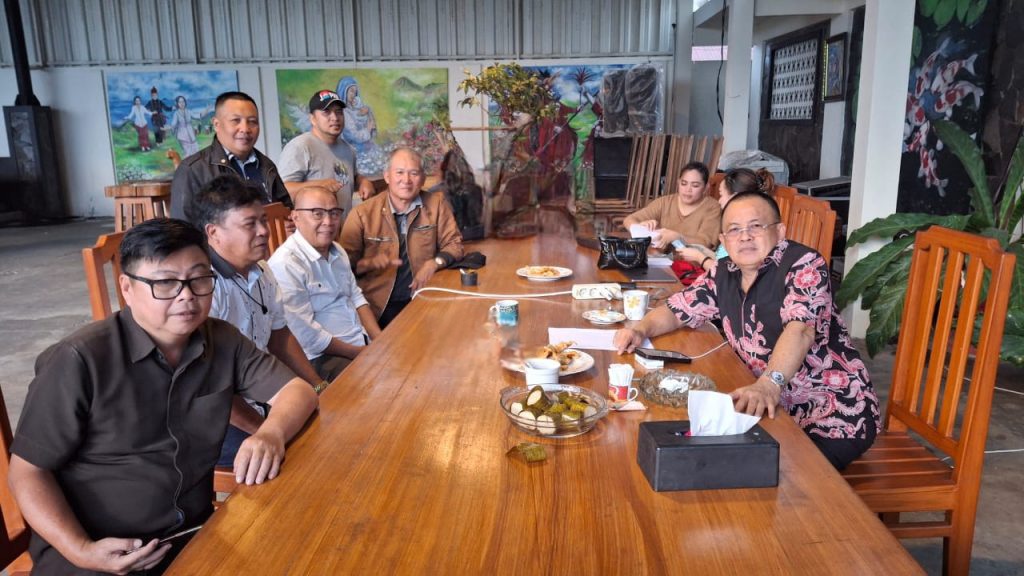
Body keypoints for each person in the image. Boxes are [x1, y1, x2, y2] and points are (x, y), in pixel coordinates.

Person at [8, 218, 318, 574]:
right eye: (166, 283)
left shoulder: (221, 339)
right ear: (127, 287)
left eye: (199, 279)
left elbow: (297, 391)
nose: (186, 295)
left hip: (190, 539)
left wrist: (270, 433)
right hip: (98, 558)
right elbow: (27, 473)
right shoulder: (79, 360)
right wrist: (82, 550)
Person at [613, 192, 879, 470]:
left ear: (779, 231)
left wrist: (768, 384)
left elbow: (800, 331)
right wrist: (640, 328)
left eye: (755, 226)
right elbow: (677, 309)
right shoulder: (724, 272)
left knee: (767, 481)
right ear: (724, 239)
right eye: (734, 230)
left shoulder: (803, 265)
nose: (745, 236)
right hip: (766, 410)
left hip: (831, 416)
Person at [190, 176, 326, 467]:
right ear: (214, 233)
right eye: (249, 224)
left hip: (263, 395)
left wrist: (318, 387)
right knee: (302, 456)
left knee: (320, 421)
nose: (264, 231)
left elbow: (279, 336)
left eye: (263, 220)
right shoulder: (204, 290)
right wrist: (267, 433)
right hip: (215, 420)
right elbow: (211, 388)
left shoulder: (261, 270)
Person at [340, 147, 465, 327]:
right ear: (387, 176)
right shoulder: (362, 214)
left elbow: (455, 244)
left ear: (422, 179)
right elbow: (342, 268)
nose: (406, 180)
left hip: (426, 296)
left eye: (413, 173)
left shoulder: (436, 205)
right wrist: (368, 264)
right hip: (378, 306)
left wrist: (434, 263)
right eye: (399, 172)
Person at [269, 186, 382, 381]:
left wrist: (380, 340)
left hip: (359, 340)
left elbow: (355, 296)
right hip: (322, 357)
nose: (328, 222)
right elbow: (307, 336)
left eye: (334, 213)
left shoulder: (337, 250)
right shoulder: (286, 264)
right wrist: (358, 353)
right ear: (295, 217)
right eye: (317, 214)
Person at [171, 91, 292, 222]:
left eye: (252, 121)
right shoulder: (192, 170)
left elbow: (287, 211)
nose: (245, 129)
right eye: (236, 120)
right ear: (216, 124)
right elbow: (182, 230)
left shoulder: (266, 165)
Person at [278, 89, 376, 219]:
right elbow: (282, 192)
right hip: (312, 234)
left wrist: (363, 181)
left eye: (339, 112)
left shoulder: (348, 149)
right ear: (312, 119)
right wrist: (318, 185)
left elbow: (353, 176)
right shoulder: (300, 147)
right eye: (326, 112)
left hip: (342, 231)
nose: (335, 118)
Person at [676, 167, 776, 274]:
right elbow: (723, 260)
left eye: (722, 195)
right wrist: (700, 250)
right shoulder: (749, 223)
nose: (719, 201)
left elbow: (727, 274)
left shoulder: (745, 231)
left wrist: (700, 257)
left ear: (734, 197)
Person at [622, 161, 721, 251]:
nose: (688, 189)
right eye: (684, 184)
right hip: (661, 259)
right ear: (678, 183)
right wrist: (641, 227)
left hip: (693, 264)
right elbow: (629, 220)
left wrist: (678, 237)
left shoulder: (712, 208)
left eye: (695, 185)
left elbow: (705, 243)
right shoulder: (665, 202)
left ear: (706, 187)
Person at [336, 76, 378, 156]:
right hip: (351, 152)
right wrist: (368, 129)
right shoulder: (343, 112)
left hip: (362, 149)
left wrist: (366, 113)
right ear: (344, 91)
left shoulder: (353, 110)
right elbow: (354, 136)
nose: (354, 95)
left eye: (355, 92)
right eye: (351, 91)